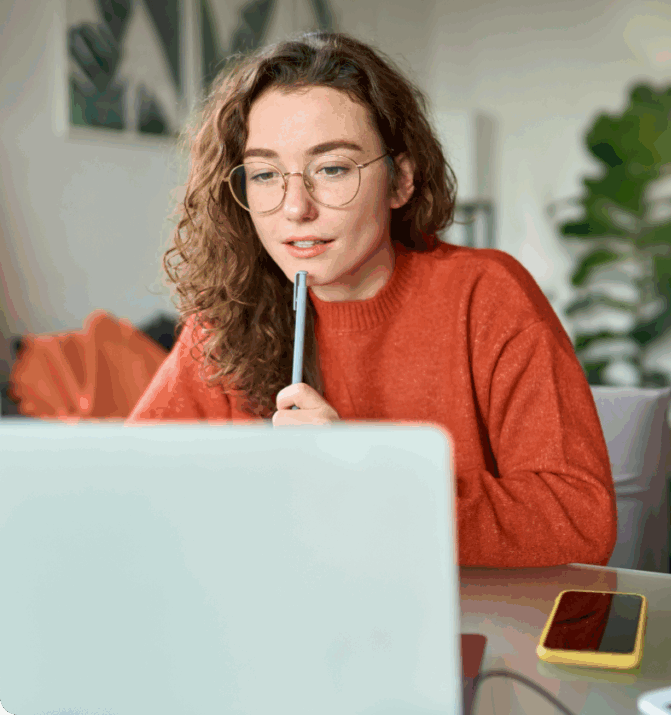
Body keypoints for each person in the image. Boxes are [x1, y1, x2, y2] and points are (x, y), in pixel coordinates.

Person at [126, 31, 618, 570]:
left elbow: (578, 518)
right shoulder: (225, 319)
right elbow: (126, 494)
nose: (295, 208)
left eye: (332, 169)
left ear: (400, 181)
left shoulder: (486, 295)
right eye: (266, 174)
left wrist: (367, 479)